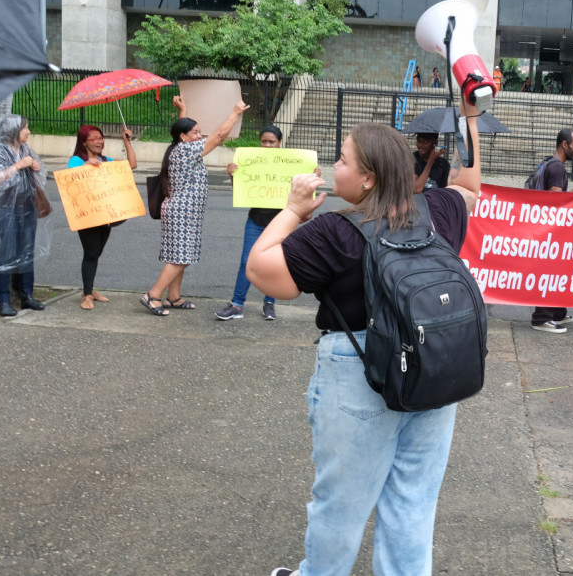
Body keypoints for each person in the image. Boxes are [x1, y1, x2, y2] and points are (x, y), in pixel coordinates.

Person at [244, 93, 484, 576]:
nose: (334, 166)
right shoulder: (437, 211)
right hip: (433, 367)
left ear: (368, 178)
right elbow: (470, 185)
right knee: (413, 500)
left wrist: (292, 210)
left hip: (359, 369)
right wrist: (470, 115)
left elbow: (261, 270)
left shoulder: (335, 231)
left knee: (342, 504)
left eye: (342, 159)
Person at [141, 95, 250, 316]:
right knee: (181, 258)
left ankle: (173, 296)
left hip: (183, 211)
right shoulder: (186, 150)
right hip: (182, 211)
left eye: (200, 132)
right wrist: (235, 112)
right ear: (183, 137)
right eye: (196, 133)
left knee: (181, 256)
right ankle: (153, 295)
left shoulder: (180, 147)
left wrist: (184, 110)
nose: (200, 136)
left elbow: (184, 130)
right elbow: (219, 136)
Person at [530, 128, 573, 333]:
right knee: (551, 271)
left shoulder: (547, 162)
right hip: (549, 230)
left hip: (542, 227)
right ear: (564, 145)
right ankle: (541, 318)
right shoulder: (558, 168)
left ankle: (558, 312)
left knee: (559, 269)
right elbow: (554, 201)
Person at [216, 126, 285, 322]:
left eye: (272, 142)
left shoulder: (289, 164)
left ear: (279, 143)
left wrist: (312, 173)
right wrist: (232, 176)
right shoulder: (252, 162)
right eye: (264, 141)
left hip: (280, 222)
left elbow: (302, 190)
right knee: (247, 262)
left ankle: (269, 303)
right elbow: (242, 192)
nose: (267, 145)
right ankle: (237, 305)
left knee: (274, 264)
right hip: (256, 219)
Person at [0, 115, 48, 317]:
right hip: (4, 210)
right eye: (25, 128)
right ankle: (3, 300)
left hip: (26, 207)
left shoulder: (25, 150)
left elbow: (41, 177)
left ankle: (26, 295)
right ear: (13, 130)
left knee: (27, 252)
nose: (28, 131)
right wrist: (18, 166)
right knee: (5, 252)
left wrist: (36, 168)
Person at [67, 125, 137, 310]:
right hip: (87, 216)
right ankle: (87, 296)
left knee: (96, 253)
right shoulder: (76, 160)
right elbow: (69, 180)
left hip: (105, 215)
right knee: (90, 253)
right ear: (84, 142)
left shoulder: (106, 160)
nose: (99, 141)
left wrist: (126, 142)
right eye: (94, 138)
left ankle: (88, 290)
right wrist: (86, 166)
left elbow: (131, 165)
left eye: (101, 137)